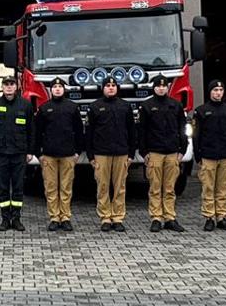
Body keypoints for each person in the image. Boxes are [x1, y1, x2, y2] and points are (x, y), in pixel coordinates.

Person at [0, 75, 36, 231]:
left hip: (19, 153)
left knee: (18, 188)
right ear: (2, 87)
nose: (9, 87)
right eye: (6, 84)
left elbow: (31, 130)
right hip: (1, 153)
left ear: (16, 86)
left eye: (12, 84)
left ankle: (16, 218)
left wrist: (30, 151)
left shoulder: (25, 105)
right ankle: (5, 219)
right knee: (3, 188)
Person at [137, 75, 188, 233]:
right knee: (155, 187)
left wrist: (183, 150)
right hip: (155, 152)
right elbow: (142, 131)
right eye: (158, 86)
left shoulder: (176, 105)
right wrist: (144, 152)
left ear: (167, 87)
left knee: (170, 188)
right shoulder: (146, 106)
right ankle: (156, 218)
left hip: (172, 152)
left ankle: (170, 218)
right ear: (154, 88)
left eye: (164, 86)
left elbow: (182, 129)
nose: (161, 88)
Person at [85, 75, 135, 232]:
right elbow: (89, 133)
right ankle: (105, 217)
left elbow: (132, 131)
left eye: (113, 85)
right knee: (103, 186)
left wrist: (131, 154)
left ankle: (118, 217)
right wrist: (90, 156)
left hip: (121, 152)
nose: (111, 88)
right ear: (103, 88)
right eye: (107, 86)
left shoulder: (125, 106)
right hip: (101, 153)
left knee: (120, 187)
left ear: (117, 88)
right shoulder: (94, 107)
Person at [33, 77, 82, 231]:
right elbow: (37, 133)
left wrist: (78, 152)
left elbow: (79, 131)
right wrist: (38, 154)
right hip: (49, 155)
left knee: (66, 188)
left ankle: (65, 217)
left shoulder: (72, 108)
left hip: (68, 154)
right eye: (55, 87)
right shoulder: (44, 108)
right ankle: (54, 217)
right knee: (51, 188)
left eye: (60, 87)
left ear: (64, 89)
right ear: (51, 90)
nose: (58, 89)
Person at [191, 78, 226, 232]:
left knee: (223, 189)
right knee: (208, 188)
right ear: (210, 92)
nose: (218, 93)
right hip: (208, 156)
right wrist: (198, 156)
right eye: (215, 90)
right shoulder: (201, 111)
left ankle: (222, 217)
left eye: (220, 90)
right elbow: (196, 135)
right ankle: (209, 217)